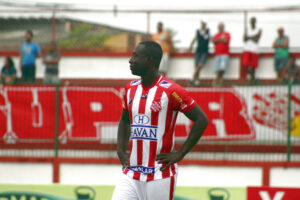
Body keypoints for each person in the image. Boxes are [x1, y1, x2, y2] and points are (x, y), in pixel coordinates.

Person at [112, 41, 208, 200]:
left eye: (135, 56)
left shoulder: (172, 91)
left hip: (159, 174)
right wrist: (121, 150)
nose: (130, 60)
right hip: (131, 173)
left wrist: (180, 154)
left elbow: (201, 119)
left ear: (149, 60)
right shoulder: (130, 88)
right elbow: (124, 120)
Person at [189, 20, 210, 86]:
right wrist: (191, 46)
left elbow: (211, 39)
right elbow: (194, 39)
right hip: (198, 51)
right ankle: (196, 80)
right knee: (197, 66)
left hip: (205, 51)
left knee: (199, 65)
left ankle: (192, 78)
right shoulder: (198, 32)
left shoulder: (208, 32)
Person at [242, 17, 262, 83]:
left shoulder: (258, 29)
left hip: (254, 49)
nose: (252, 22)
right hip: (247, 49)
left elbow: (257, 39)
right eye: (251, 21)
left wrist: (249, 37)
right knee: (245, 65)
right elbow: (244, 39)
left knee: (253, 66)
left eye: (253, 21)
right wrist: (253, 37)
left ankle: (252, 78)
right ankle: (252, 77)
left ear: (255, 22)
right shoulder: (247, 29)